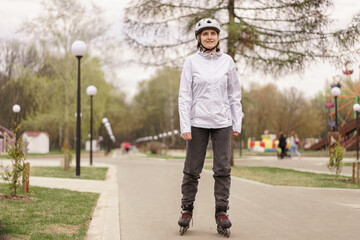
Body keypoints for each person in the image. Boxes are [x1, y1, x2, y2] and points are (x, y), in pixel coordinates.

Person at [177, 18, 243, 237]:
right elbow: (184, 96)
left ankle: (221, 212)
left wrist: (237, 121)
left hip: (223, 122)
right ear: (198, 38)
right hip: (197, 123)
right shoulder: (191, 63)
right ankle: (187, 209)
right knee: (191, 170)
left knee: (222, 169)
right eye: (205, 34)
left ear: (218, 37)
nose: (209, 37)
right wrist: (185, 125)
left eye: (213, 33)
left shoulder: (228, 61)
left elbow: (234, 94)